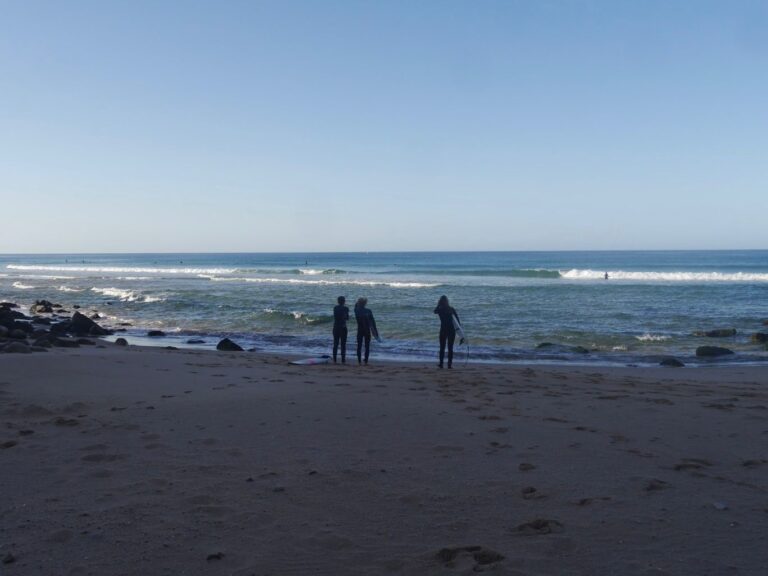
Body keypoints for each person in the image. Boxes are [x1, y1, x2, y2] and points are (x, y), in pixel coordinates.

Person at [434, 295, 460, 369]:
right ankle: (449, 364)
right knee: (450, 348)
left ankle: (441, 364)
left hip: (443, 330)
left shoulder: (440, 309)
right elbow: (457, 320)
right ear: (447, 301)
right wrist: (459, 330)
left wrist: (439, 305)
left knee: (442, 348)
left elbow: (434, 311)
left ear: (440, 301)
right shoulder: (451, 309)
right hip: (451, 330)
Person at [354, 297, 377, 365]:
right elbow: (373, 322)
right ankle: (366, 360)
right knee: (367, 346)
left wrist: (358, 302)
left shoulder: (356, 310)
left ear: (358, 303)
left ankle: (359, 361)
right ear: (365, 303)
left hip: (360, 330)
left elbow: (355, 306)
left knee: (359, 345)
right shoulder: (368, 311)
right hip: (367, 330)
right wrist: (375, 331)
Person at [332, 296, 349, 363]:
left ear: (338, 301)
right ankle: (343, 359)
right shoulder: (346, 308)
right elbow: (347, 318)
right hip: (343, 327)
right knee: (343, 344)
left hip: (336, 326)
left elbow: (336, 317)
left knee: (335, 343)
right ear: (344, 301)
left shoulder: (335, 308)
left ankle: (334, 359)